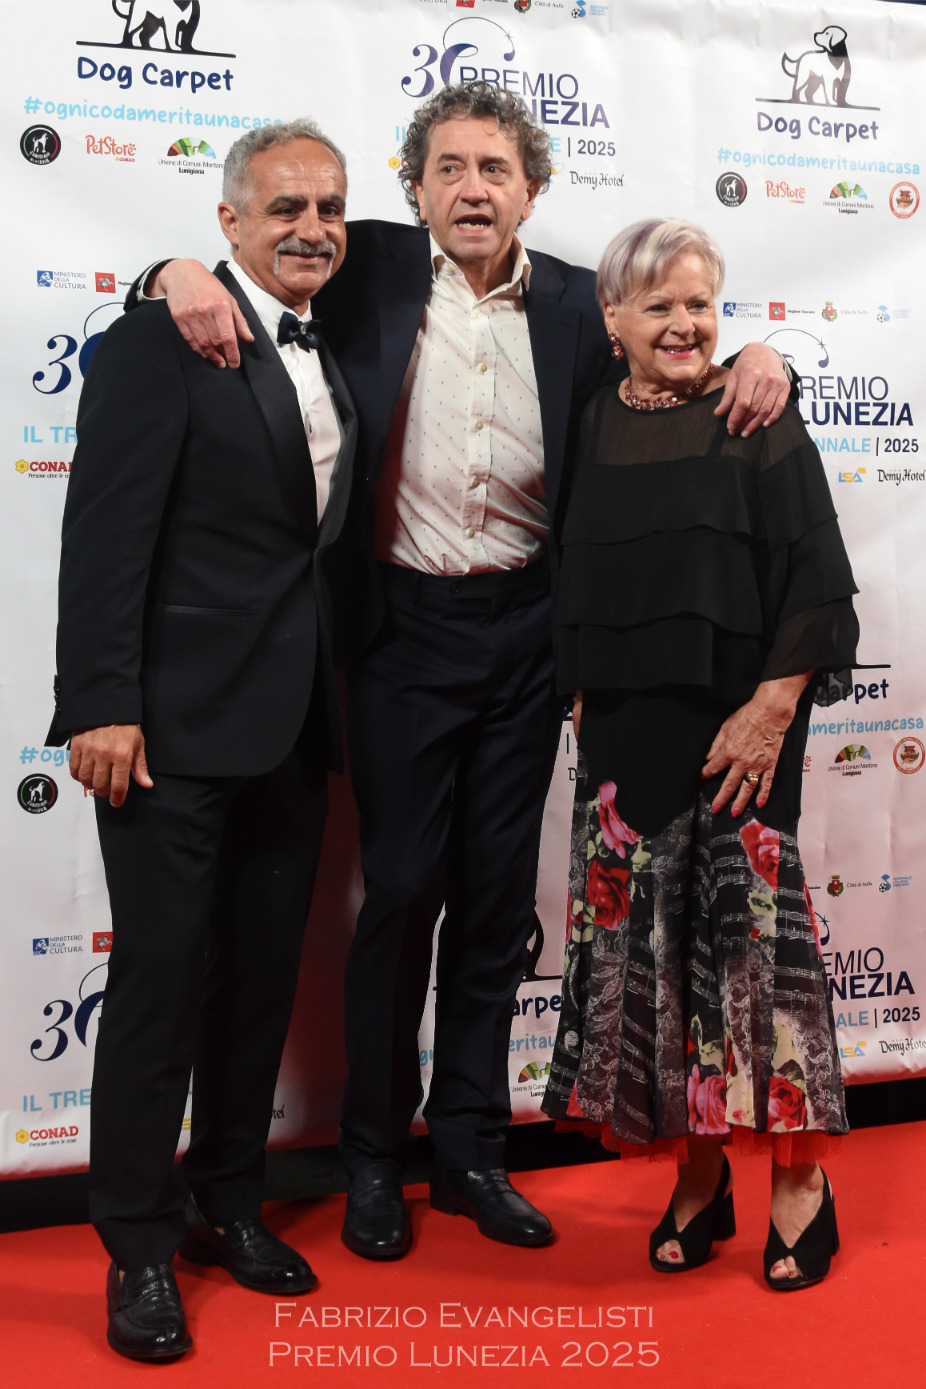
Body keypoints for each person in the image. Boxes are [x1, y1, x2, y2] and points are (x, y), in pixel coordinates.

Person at [132, 82, 795, 1261]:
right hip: (399, 635)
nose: (472, 189)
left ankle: (471, 1153)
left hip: (531, 636)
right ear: (416, 190)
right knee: (398, 894)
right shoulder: (366, 268)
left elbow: (673, 345)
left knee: (495, 906)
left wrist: (759, 354)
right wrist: (164, 272)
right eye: (448, 168)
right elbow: (248, 265)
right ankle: (372, 1159)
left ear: (530, 190)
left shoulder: (582, 306)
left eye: (495, 169)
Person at [47, 119, 358, 1360]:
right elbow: (102, 533)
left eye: (329, 207)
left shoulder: (337, 317)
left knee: (258, 986)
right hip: (167, 730)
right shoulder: (156, 342)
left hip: (293, 726)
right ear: (226, 221)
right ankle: (135, 1243)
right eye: (283, 207)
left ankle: (227, 1206)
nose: (311, 228)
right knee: (161, 991)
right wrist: (99, 700)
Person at [541, 218, 859, 1290]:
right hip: (625, 741)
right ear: (613, 318)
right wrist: (582, 694)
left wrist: (770, 709)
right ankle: (698, 1175)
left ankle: (800, 1184)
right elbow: (578, 570)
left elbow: (817, 581)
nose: (684, 325)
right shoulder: (590, 416)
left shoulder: (754, 411)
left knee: (757, 961)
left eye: (700, 305)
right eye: (660, 306)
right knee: (654, 964)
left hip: (740, 735)